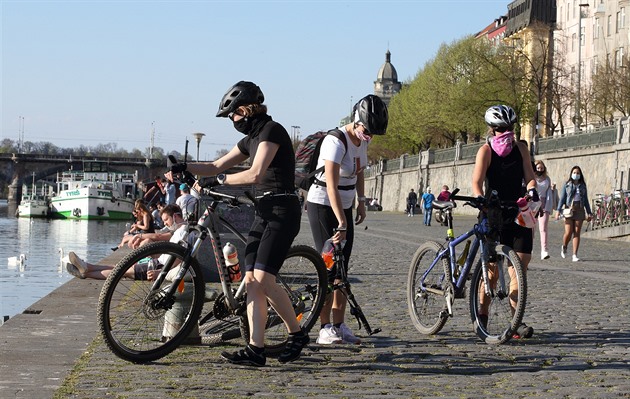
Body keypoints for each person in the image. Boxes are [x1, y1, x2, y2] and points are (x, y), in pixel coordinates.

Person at [168, 81, 306, 367]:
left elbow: (255, 173)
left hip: (282, 211)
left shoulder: (272, 131)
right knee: (253, 281)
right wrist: (186, 167)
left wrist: (221, 181)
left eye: (233, 115)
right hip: (264, 211)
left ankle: (297, 334)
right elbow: (217, 166)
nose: (232, 121)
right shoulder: (250, 138)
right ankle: (256, 349)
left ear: (244, 110)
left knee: (263, 280)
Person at [305, 94, 388, 346]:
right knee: (328, 268)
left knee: (342, 269)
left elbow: (359, 171)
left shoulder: (362, 140)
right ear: (356, 120)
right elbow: (330, 184)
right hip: (322, 205)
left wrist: (360, 201)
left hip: (345, 205)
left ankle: (339, 325)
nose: (369, 137)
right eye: (367, 130)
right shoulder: (335, 141)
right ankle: (324, 327)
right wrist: (341, 220)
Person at [472, 105, 537, 339]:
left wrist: (532, 191)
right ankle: (483, 315)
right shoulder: (485, 151)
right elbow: (477, 182)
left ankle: (515, 320)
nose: (505, 133)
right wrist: (482, 200)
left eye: (509, 128)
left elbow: (530, 177)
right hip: (494, 212)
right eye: (500, 129)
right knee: (491, 274)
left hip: (518, 211)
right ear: (492, 130)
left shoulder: (521, 149)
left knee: (518, 270)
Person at [66, 204, 187, 280]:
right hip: (157, 263)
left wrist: (160, 273)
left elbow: (177, 258)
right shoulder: (178, 230)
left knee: (120, 271)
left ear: (175, 216)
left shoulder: (182, 232)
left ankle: (86, 272)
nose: (165, 223)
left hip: (157, 267)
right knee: (120, 267)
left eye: (166, 220)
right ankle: (87, 266)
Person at [555, 165, 592, 262]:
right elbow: (562, 198)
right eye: (574, 173)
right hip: (569, 210)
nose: (576, 174)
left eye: (578, 173)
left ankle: (574, 254)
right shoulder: (567, 184)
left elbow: (586, 200)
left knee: (577, 233)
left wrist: (589, 212)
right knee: (568, 232)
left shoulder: (583, 185)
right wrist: (558, 210)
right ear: (571, 174)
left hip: (580, 210)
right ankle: (564, 246)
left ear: (580, 175)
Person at [534, 160, 554, 260]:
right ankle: (529, 250)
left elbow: (549, 191)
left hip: (544, 204)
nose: (540, 170)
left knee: (543, 229)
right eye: (538, 168)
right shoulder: (532, 178)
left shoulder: (547, 179)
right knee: (531, 230)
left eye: (541, 168)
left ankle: (544, 250)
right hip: (533, 205)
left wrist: (552, 189)